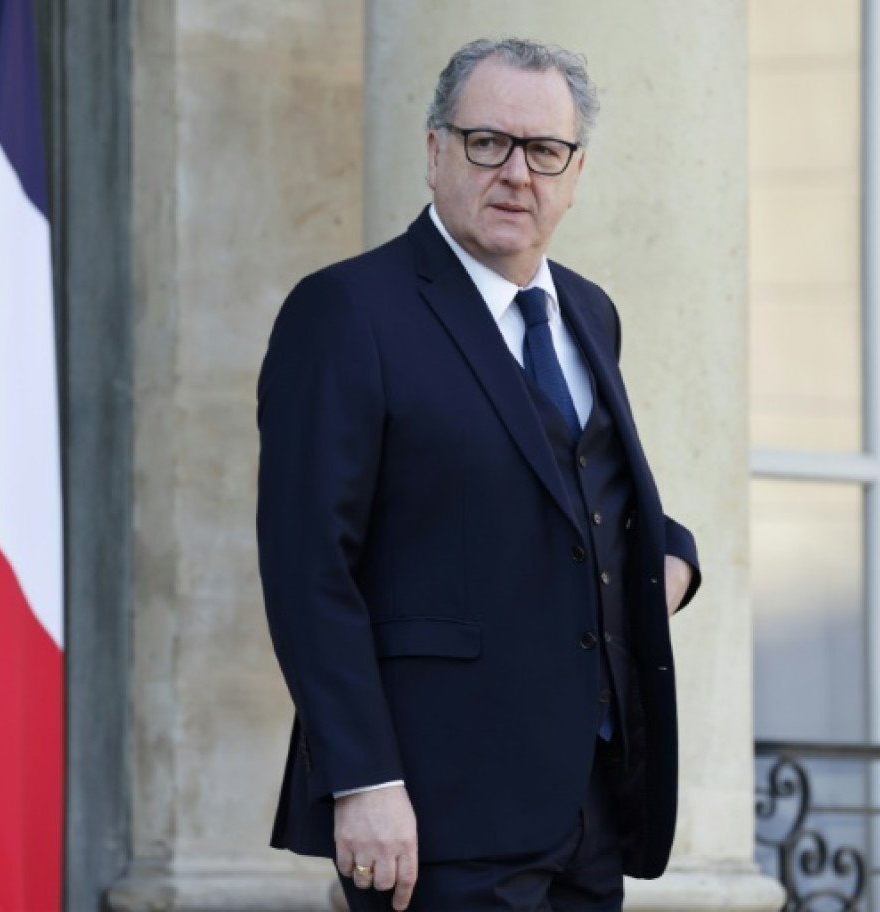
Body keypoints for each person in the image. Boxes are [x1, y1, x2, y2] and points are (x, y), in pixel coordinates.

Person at [256, 37, 700, 912]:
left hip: (588, 801)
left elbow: (581, 498)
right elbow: (310, 568)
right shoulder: (346, 311)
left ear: (575, 173)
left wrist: (669, 564)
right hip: (433, 811)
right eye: (486, 143)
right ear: (434, 152)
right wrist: (363, 778)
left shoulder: (588, 311)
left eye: (545, 152)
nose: (517, 174)